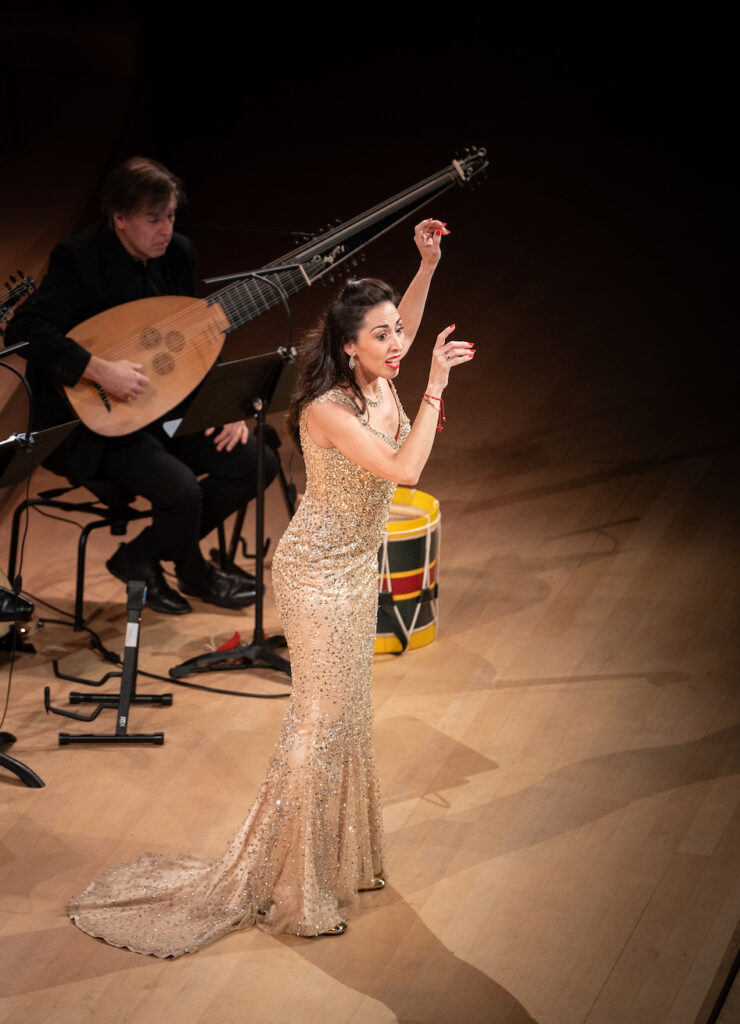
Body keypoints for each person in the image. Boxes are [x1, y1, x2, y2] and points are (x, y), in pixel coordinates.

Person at [67, 218, 474, 957]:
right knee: (319, 726)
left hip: (355, 567)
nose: (398, 344)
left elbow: (404, 324)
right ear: (350, 345)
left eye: (398, 334)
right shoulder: (328, 408)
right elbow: (408, 472)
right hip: (317, 575)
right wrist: (438, 386)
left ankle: (344, 857)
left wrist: (426, 263)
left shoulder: (374, 373)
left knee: (350, 714)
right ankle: (301, 888)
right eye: (381, 335)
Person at [4, 156, 278, 614]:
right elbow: (24, 331)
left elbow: (194, 335)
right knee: (182, 490)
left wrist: (221, 406)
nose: (165, 229)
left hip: (165, 404)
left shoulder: (178, 253)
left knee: (255, 462)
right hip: (93, 422)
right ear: (120, 218)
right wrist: (95, 368)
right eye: (153, 219)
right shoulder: (78, 259)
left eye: (170, 216)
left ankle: (140, 556)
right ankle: (193, 573)